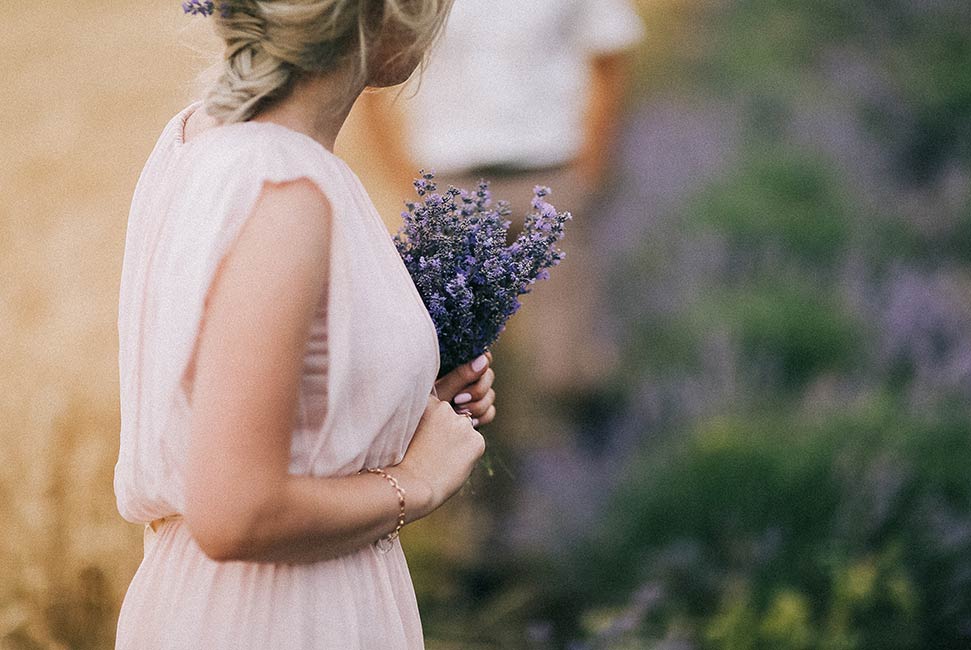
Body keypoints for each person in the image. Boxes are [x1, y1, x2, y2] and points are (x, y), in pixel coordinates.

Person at [113, 1, 497, 648]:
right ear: (385, 12)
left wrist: (400, 404)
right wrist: (417, 480)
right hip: (278, 617)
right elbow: (236, 512)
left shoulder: (199, 143)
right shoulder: (285, 190)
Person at [362, 0, 644, 442]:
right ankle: (486, 485)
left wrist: (591, 164)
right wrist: (405, 177)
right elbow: (371, 70)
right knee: (451, 370)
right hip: (448, 179)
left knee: (563, 366)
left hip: (550, 171)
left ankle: (565, 474)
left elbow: (608, 52)